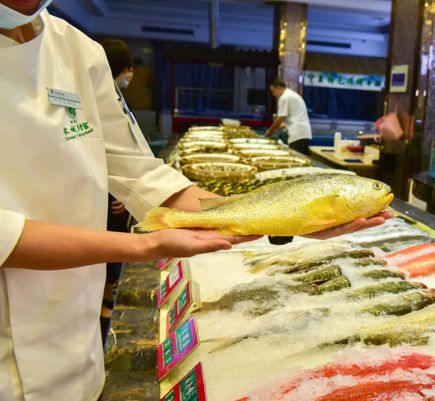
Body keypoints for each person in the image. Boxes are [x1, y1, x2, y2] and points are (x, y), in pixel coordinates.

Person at [0, 3, 392, 401]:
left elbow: (139, 171)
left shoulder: (80, 51)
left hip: (78, 357)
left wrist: (271, 215)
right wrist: (144, 245)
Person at [99, 39, 136, 342]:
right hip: (106, 198)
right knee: (110, 254)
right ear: (125, 69)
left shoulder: (114, 96)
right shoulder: (107, 98)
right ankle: (105, 311)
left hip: (109, 193)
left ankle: (106, 304)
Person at [266, 79, 312, 156]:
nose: (273, 94)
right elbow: (294, 118)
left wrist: (269, 132)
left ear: (279, 88)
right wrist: (277, 128)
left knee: (296, 161)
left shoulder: (284, 97)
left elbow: (281, 118)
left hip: (297, 135)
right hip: (304, 134)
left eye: (273, 91)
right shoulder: (292, 94)